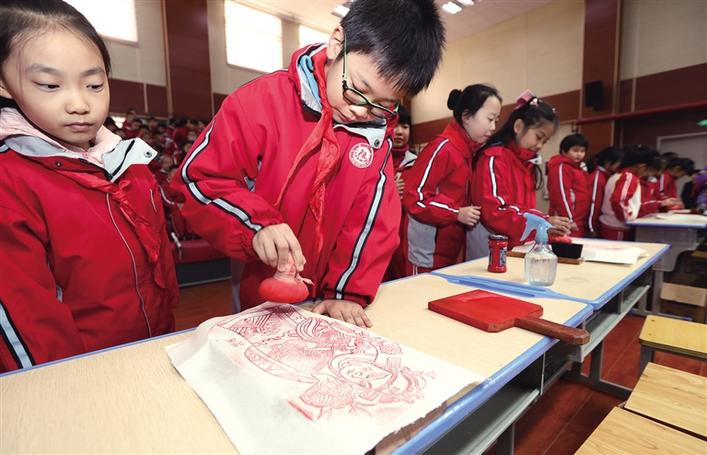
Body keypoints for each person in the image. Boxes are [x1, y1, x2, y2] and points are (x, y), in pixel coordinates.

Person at [173, 0, 445, 327]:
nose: (362, 111)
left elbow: (372, 222)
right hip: (259, 281)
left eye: (383, 104)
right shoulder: (263, 101)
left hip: (328, 294)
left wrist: (346, 291)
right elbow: (200, 180)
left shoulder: (375, 137)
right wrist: (255, 224)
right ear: (337, 44)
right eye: (357, 90)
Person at [0, 0, 178, 372]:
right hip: (79, 374)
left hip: (149, 355)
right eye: (50, 85)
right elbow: (28, 325)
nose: (80, 104)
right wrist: (69, 383)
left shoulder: (132, 166)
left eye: (94, 85)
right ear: (4, 83)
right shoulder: (10, 182)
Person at [402, 84, 501, 272]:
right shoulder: (443, 148)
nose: (493, 127)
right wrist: (456, 212)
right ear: (466, 116)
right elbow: (415, 197)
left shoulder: (469, 151)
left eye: (496, 120)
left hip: (449, 248)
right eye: (489, 119)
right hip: (427, 250)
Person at [471, 90, 572, 249]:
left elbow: (523, 209)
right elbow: (494, 210)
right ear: (518, 126)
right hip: (491, 248)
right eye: (539, 137)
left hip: (518, 246)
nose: (540, 145)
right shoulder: (493, 158)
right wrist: (541, 221)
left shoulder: (527, 163)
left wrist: (543, 226)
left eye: (545, 141)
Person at [598, 145, 659, 240]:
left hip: (613, 226)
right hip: (617, 227)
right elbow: (619, 200)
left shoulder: (619, 175)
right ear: (642, 167)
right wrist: (628, 217)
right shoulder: (629, 177)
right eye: (648, 170)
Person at [385, 105, 416, 280]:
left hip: (406, 233)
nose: (399, 132)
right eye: (395, 125)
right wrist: (390, 192)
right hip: (381, 230)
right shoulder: (378, 159)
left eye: (405, 127)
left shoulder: (416, 163)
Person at [546, 133, 590, 237]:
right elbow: (561, 196)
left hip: (578, 222)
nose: (579, 154)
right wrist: (569, 220)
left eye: (582, 151)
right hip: (566, 223)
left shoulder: (579, 169)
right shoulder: (561, 168)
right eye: (575, 150)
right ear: (564, 151)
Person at [586, 146, 623, 236]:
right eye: (619, 162)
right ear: (608, 162)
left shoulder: (608, 176)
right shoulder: (598, 178)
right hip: (594, 225)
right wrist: (592, 227)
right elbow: (593, 204)